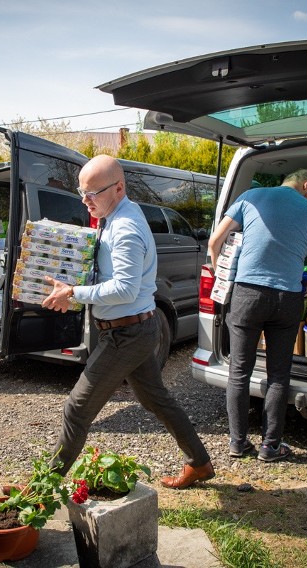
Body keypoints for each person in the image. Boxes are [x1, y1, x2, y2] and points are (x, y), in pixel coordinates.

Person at [42, 154, 214, 489]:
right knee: (156, 399)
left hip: (128, 333)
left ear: (119, 188)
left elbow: (124, 287)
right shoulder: (116, 214)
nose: (85, 200)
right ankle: (200, 463)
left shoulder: (126, 228)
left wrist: (74, 293)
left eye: (93, 193)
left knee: (77, 408)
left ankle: (41, 489)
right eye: (82, 193)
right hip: (133, 328)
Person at [208, 168, 307, 462]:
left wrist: (222, 277)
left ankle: (237, 443)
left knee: (239, 371)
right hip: (287, 300)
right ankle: (271, 446)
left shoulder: (250, 197)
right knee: (278, 374)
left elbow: (214, 243)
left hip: (247, 295)